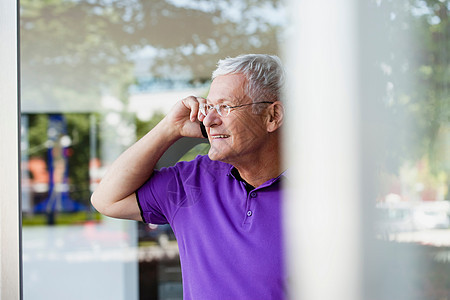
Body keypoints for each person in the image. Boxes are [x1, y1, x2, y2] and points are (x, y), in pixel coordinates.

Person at [91, 54, 286, 299]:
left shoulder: (327, 193)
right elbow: (106, 199)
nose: (210, 121)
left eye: (225, 107)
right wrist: (170, 128)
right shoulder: (193, 181)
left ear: (272, 116)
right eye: (210, 108)